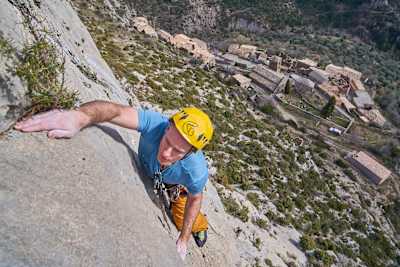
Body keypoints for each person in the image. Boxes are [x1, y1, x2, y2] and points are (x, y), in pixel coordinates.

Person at [14, 100, 214, 260]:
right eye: (167, 141)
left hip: (174, 184)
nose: (167, 152)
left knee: (181, 213)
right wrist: (80, 116)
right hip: (152, 171)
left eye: (177, 151)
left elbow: (196, 199)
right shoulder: (156, 124)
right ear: (167, 127)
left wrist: (183, 239)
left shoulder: (196, 172)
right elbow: (114, 111)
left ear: (190, 153)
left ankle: (200, 228)